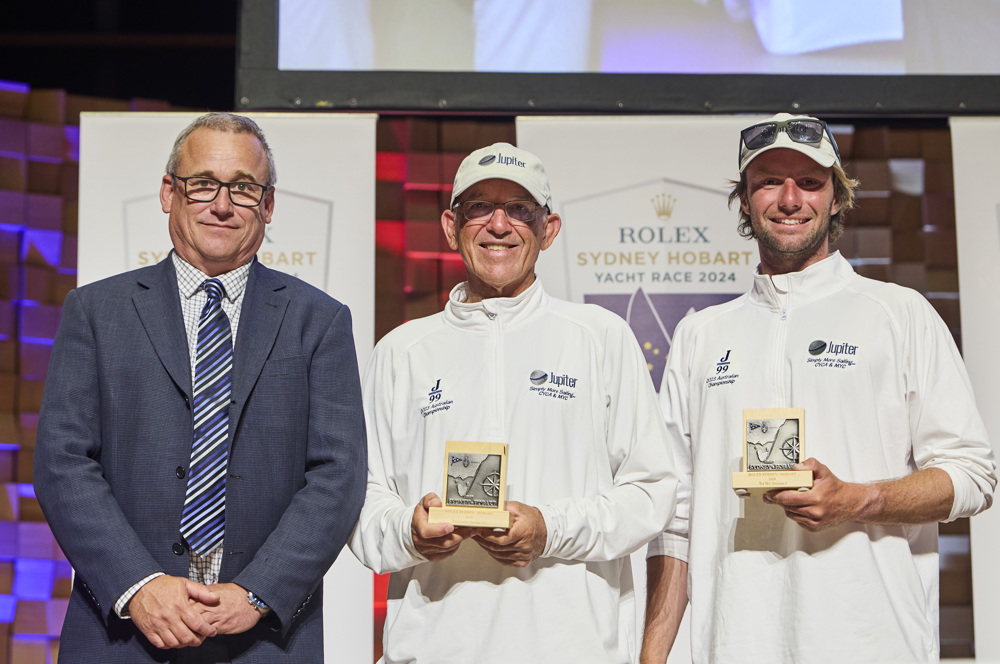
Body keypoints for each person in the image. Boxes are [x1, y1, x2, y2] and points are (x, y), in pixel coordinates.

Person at [640, 113, 996, 664]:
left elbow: (973, 476)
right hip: (735, 645)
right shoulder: (699, 335)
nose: (789, 199)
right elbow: (676, 519)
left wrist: (859, 498)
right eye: (768, 182)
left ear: (836, 198)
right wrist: (652, 655)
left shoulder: (898, 314)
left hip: (871, 642)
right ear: (744, 201)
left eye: (809, 182)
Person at [34, 112, 367, 662]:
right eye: (203, 184)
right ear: (169, 192)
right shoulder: (95, 312)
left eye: (243, 187)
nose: (222, 204)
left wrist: (257, 592)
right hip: (121, 635)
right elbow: (62, 461)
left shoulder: (320, 320)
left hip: (263, 639)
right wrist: (139, 584)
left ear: (268, 204)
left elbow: (337, 475)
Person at [350, 142, 677, 663]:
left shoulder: (600, 337)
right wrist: (411, 533)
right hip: (433, 648)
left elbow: (651, 491)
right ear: (450, 227)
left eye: (520, 210)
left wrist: (549, 529)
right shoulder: (400, 351)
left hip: (572, 648)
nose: (498, 225)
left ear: (549, 230)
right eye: (479, 207)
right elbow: (362, 501)